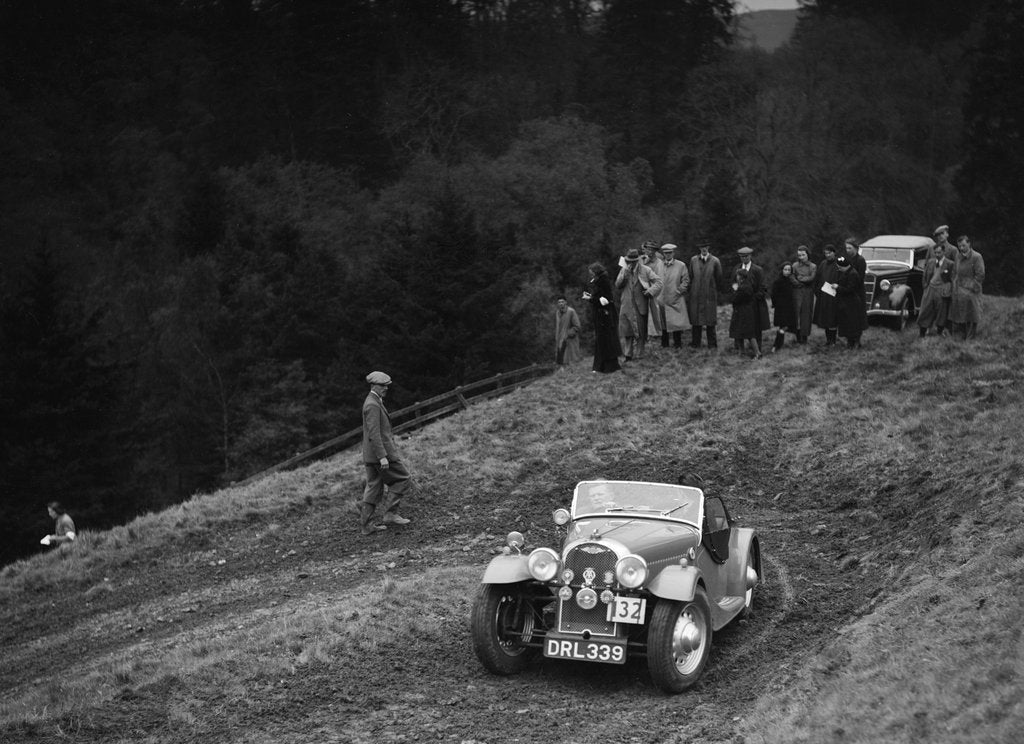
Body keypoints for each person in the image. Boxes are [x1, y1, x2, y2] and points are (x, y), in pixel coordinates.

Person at [360, 371, 413, 535]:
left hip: (371, 455)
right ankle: (390, 514)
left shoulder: (374, 401)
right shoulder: (372, 405)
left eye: (387, 386)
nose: (386, 388)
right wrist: (383, 456)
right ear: (373, 385)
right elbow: (374, 434)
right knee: (404, 478)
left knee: (374, 487)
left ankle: (366, 525)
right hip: (379, 455)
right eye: (383, 386)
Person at [615, 247, 663, 361]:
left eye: (633, 261)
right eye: (629, 261)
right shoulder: (624, 270)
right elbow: (617, 285)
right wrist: (624, 275)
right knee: (627, 331)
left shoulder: (645, 270)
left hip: (640, 305)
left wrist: (650, 291)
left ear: (637, 260)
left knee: (641, 331)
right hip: (626, 305)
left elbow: (659, 282)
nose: (631, 263)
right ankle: (628, 355)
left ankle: (640, 354)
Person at [584, 262, 622, 373]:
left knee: (606, 340)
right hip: (602, 314)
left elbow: (604, 301)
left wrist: (590, 299)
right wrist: (592, 297)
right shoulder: (599, 281)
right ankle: (601, 366)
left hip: (605, 315)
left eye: (591, 272)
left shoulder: (602, 281)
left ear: (596, 271)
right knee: (602, 340)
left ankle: (608, 366)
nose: (590, 275)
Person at [688, 238, 723, 349]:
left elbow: (719, 278)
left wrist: (712, 290)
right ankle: (695, 344)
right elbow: (690, 276)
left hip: (709, 296)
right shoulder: (693, 260)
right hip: (696, 295)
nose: (704, 249)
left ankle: (712, 345)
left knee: (710, 322)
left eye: (706, 247)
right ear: (699, 248)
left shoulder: (715, 261)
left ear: (708, 248)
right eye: (702, 247)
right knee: (696, 321)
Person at [949, 235, 985, 340]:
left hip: (971, 292)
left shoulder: (977, 257)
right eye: (959, 246)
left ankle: (970, 340)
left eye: (963, 245)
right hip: (958, 291)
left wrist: (970, 287)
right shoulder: (958, 256)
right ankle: (960, 339)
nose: (961, 248)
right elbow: (954, 272)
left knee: (971, 316)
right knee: (959, 315)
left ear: (969, 244)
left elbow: (980, 275)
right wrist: (954, 284)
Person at [917, 240, 955, 337]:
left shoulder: (950, 264)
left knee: (941, 312)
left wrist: (949, 290)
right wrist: (925, 286)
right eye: (935, 252)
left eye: (939, 252)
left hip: (942, 290)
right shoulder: (931, 262)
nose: (937, 254)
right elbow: (925, 275)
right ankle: (922, 333)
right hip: (930, 289)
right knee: (925, 310)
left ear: (944, 252)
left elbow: (953, 279)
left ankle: (939, 332)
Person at [658, 243, 690, 348]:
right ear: (663, 254)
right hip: (662, 298)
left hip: (675, 298)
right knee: (663, 322)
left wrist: (679, 291)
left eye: (670, 253)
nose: (668, 255)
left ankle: (678, 344)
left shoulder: (681, 265)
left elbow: (685, 280)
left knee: (677, 323)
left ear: (673, 253)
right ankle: (664, 344)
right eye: (666, 253)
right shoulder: (659, 265)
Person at [729, 269, 763, 359]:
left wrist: (736, 290)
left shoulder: (744, 287)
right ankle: (742, 352)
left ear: (741, 277)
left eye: (737, 275)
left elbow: (735, 299)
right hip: (742, 312)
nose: (736, 277)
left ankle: (757, 353)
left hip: (744, 312)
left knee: (749, 333)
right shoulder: (745, 285)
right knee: (739, 332)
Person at [641, 240, 669, 347]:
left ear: (653, 251)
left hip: (657, 293)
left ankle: (664, 342)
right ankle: (648, 341)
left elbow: (660, 281)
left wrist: (651, 291)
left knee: (660, 317)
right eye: (646, 248)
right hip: (646, 293)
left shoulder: (659, 263)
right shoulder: (645, 262)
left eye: (649, 249)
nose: (647, 251)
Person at [834, 254, 864, 349]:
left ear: (844, 266)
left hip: (852, 303)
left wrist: (837, 287)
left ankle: (855, 343)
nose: (838, 269)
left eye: (839, 267)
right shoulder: (846, 272)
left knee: (853, 324)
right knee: (847, 323)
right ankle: (850, 342)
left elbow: (850, 290)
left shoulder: (853, 274)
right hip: (845, 302)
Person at [813, 244, 840, 345]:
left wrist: (838, 288)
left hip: (834, 296)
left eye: (829, 253)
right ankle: (828, 340)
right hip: (823, 296)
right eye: (826, 253)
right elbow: (818, 278)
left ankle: (833, 341)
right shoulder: (823, 264)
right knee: (825, 319)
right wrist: (817, 291)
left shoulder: (839, 263)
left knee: (832, 319)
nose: (827, 255)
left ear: (834, 252)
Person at [843, 237, 868, 345]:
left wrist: (850, 288)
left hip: (857, 293)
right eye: (846, 248)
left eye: (850, 248)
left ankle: (857, 341)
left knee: (857, 317)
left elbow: (859, 278)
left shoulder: (860, 260)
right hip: (848, 292)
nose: (847, 250)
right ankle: (850, 340)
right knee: (849, 317)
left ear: (856, 248)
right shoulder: (847, 260)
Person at [790, 245, 816, 343]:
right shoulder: (795, 265)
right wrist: (797, 282)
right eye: (799, 255)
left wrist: (800, 278)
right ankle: (797, 336)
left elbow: (811, 278)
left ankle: (804, 337)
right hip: (797, 292)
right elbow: (791, 276)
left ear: (807, 254)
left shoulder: (813, 266)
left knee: (806, 314)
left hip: (807, 292)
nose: (801, 257)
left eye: (803, 255)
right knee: (797, 313)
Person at [770, 263, 797, 352]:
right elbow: (773, 294)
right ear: (782, 270)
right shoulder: (778, 281)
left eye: (789, 270)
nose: (787, 272)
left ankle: (798, 341)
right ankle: (776, 345)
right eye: (785, 269)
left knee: (789, 325)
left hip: (790, 307)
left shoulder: (791, 281)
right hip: (781, 308)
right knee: (783, 326)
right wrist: (776, 304)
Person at [554, 297, 582, 365]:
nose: (561, 303)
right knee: (561, 362)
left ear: (566, 302)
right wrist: (557, 337)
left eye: (562, 302)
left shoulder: (571, 311)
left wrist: (568, 334)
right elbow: (558, 327)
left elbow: (577, 326)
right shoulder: (557, 312)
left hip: (570, 340)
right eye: (559, 302)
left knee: (572, 362)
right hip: (560, 340)